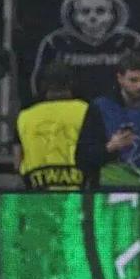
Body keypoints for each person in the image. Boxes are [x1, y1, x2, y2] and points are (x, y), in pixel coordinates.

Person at [75, 52, 140, 189]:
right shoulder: (100, 108)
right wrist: (110, 148)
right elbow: (81, 158)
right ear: (120, 78)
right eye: (133, 80)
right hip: (110, 192)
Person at [16, 62, 88, 190]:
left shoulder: (25, 116)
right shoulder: (87, 110)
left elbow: (18, 161)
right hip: (79, 192)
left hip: (37, 192)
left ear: (43, 85)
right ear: (71, 83)